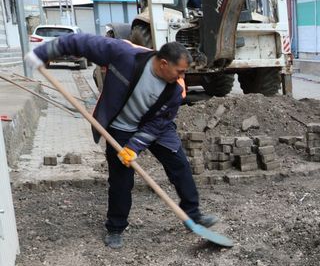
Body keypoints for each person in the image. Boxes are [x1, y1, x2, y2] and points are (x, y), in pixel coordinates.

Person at [24, 34, 219, 249]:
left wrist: (135, 147)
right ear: (164, 63)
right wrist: (41, 53)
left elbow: (157, 125)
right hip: (120, 128)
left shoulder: (175, 90)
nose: (183, 76)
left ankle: (192, 215)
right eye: (180, 71)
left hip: (154, 127)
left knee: (180, 166)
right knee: (121, 180)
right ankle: (115, 228)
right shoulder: (125, 56)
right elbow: (79, 42)